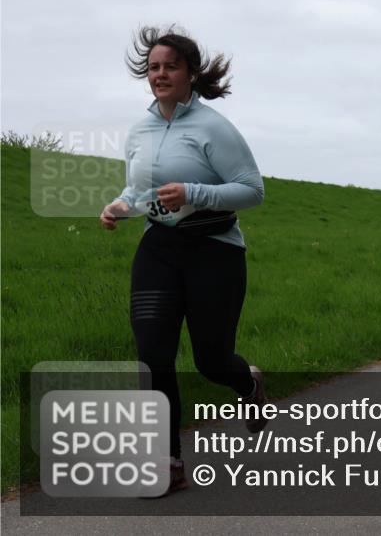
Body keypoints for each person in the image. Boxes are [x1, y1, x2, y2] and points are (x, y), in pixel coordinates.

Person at [100, 27, 267, 496]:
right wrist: (118, 207)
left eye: (170, 66)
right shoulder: (140, 130)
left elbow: (252, 189)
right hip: (159, 251)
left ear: (190, 73)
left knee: (212, 359)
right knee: (153, 356)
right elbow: (140, 191)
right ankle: (168, 461)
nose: (160, 74)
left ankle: (247, 383)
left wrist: (195, 192)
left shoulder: (213, 127)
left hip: (214, 250)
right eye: (153, 67)